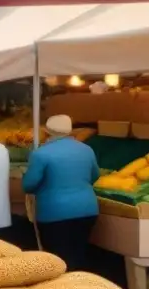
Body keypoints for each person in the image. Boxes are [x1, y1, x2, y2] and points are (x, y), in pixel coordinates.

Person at [22, 115, 100, 271]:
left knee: (58, 260)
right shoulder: (86, 149)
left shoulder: (41, 153)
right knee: (78, 254)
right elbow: (95, 176)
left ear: (47, 130)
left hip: (54, 213)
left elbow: (29, 185)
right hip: (87, 209)